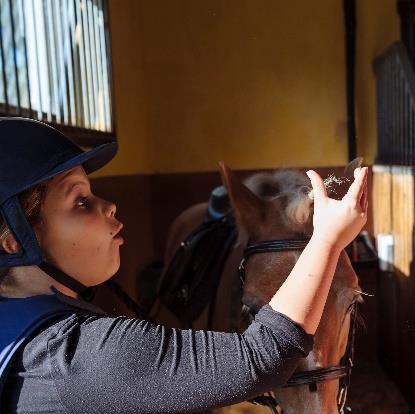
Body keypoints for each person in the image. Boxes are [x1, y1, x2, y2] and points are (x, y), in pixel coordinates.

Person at [0, 117, 368, 413]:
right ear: (12, 239)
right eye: (80, 201)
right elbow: (264, 356)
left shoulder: (19, 326)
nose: (108, 206)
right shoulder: (81, 356)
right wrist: (327, 240)